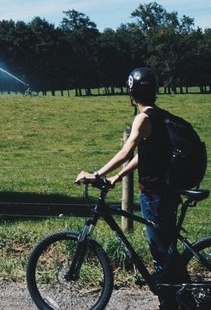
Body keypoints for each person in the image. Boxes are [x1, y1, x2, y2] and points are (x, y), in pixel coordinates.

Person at [74, 67, 182, 310]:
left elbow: (127, 151)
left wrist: (96, 174)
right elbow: (143, 156)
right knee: (167, 247)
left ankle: (170, 304)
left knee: (160, 250)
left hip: (154, 194)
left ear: (131, 93)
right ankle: (184, 299)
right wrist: (116, 177)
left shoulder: (143, 118)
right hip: (165, 191)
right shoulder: (159, 116)